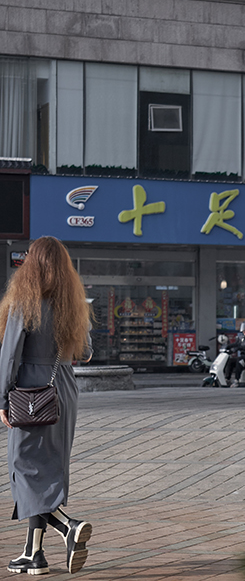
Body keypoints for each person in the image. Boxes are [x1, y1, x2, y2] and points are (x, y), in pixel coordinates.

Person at [0, 237, 93, 576]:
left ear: (31, 264)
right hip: (64, 390)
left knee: (24, 468)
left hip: (31, 392)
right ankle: (32, 553)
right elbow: (86, 352)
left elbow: (9, 356)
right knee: (47, 469)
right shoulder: (75, 305)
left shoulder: (25, 302)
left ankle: (69, 526)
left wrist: (2, 399)